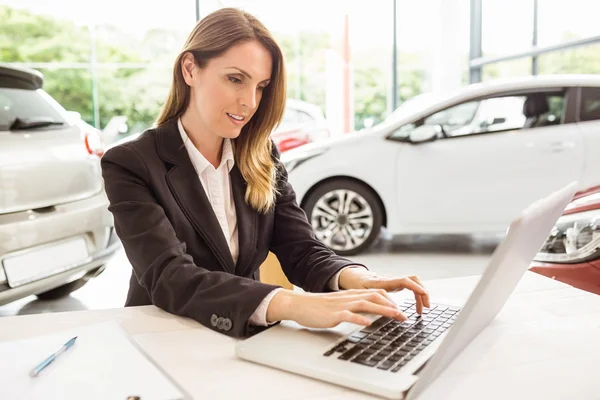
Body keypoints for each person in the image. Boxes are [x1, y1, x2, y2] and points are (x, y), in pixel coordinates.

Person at [100, 7, 430, 339]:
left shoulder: (260, 156)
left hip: (245, 338)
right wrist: (294, 304)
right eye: (235, 79)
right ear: (190, 69)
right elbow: (170, 276)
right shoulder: (131, 163)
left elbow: (299, 246)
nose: (250, 102)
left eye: (261, 86)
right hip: (165, 338)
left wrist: (354, 277)